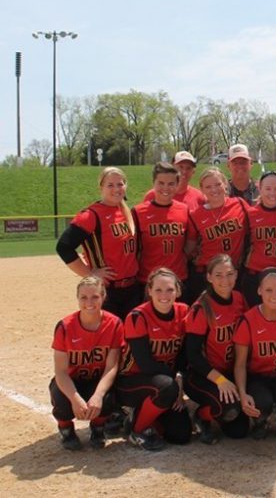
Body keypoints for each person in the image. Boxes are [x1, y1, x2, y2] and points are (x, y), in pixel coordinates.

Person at [116, 268, 192, 451]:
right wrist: (177, 380)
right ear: (149, 291)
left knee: (180, 435)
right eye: (158, 290)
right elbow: (145, 363)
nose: (164, 295)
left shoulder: (184, 312)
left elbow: (184, 354)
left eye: (169, 290)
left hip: (164, 381)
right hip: (132, 381)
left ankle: (141, 415)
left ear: (178, 291)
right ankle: (137, 430)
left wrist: (180, 376)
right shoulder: (137, 316)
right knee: (166, 387)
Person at [50, 276, 124, 450]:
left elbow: (112, 366)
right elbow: (60, 371)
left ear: (103, 297)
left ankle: (98, 427)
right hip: (72, 380)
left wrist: (98, 396)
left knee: (107, 395)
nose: (89, 302)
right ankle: (66, 428)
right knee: (60, 394)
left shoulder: (114, 324)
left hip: (97, 380)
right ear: (78, 299)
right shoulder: (65, 326)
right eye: (83, 297)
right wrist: (75, 399)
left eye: (95, 297)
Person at [56, 167, 140, 320]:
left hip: (133, 290)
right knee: (110, 340)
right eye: (110, 185)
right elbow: (63, 247)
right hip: (107, 291)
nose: (116, 189)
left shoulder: (127, 212)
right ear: (101, 187)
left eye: (120, 184)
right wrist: (89, 274)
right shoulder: (91, 215)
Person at [184, 254, 250, 444]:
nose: (225, 280)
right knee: (229, 409)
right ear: (209, 277)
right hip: (204, 375)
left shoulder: (239, 299)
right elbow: (193, 356)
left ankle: (220, 411)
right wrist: (220, 380)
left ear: (236, 275)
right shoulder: (201, 308)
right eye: (219, 275)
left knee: (239, 431)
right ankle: (202, 416)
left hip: (230, 372)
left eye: (229, 274)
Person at [234, 268, 276, 439]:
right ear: (259, 291)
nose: (274, 295)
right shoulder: (248, 320)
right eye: (269, 290)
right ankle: (261, 420)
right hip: (258, 377)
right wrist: (242, 395)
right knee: (260, 405)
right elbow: (240, 365)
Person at [185, 167, 250, 304]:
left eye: (218, 184)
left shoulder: (239, 204)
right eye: (208, 186)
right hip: (205, 274)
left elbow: (257, 220)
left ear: (225, 184)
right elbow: (190, 248)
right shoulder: (195, 215)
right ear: (202, 190)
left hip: (232, 272)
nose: (214, 189)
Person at [133, 162, 190, 299]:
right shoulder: (138, 212)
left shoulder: (184, 210)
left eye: (171, 184)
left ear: (177, 185)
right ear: (154, 183)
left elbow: (189, 244)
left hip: (178, 279)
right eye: (161, 183)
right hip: (148, 281)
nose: (166, 188)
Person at [243, 171, 276, 307]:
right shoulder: (251, 214)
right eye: (267, 189)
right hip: (256, 275)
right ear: (259, 189)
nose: (272, 193)